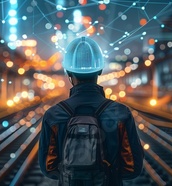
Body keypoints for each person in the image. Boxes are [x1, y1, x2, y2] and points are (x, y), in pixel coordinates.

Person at [39, 37, 144, 186]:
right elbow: (133, 168)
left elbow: (48, 168)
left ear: (68, 72)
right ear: (100, 70)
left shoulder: (53, 115)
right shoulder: (121, 113)